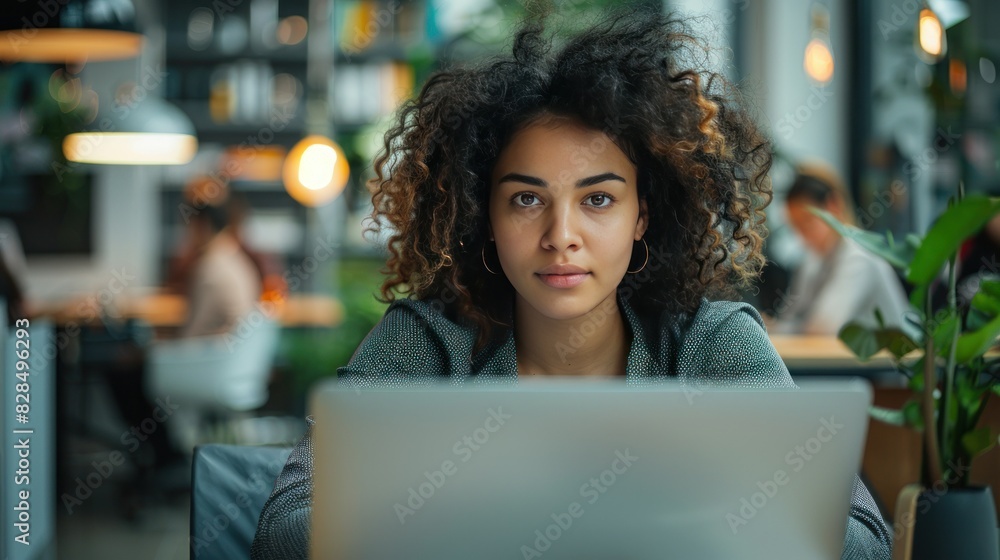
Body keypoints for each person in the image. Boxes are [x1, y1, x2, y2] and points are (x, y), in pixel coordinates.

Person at [251, 9, 892, 559]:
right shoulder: (429, 342)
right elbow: (284, 533)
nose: (562, 235)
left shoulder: (709, 342)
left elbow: (863, 540)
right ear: (487, 218)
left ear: (643, 214)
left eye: (599, 201)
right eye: (527, 200)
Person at [770, 164, 910, 336]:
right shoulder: (814, 261)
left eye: (807, 222)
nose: (802, 237)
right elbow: (789, 318)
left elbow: (823, 328)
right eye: (796, 228)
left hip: (887, 362)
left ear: (833, 205)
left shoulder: (859, 256)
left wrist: (782, 327)